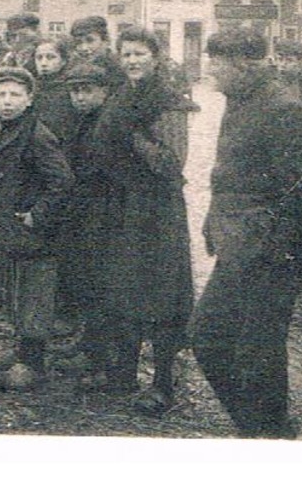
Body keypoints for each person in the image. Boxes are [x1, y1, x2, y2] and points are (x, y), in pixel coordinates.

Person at [191, 28, 302, 438]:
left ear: (244, 64)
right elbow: (231, 174)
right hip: (243, 245)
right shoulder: (242, 99)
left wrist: (263, 240)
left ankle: (270, 432)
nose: (210, 69)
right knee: (211, 337)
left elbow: (301, 188)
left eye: (217, 61)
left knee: (253, 347)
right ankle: (261, 427)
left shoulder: (283, 107)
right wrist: (217, 218)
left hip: (272, 252)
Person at [63, 25, 198, 414]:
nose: (133, 60)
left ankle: (163, 384)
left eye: (140, 53)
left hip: (156, 210)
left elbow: (172, 162)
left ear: (155, 57)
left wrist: (133, 135)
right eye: (127, 54)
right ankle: (122, 375)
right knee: (122, 287)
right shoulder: (124, 94)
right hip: (120, 204)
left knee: (160, 294)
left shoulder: (168, 102)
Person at [0, 66, 73, 391]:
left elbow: (61, 183)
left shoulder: (37, 135)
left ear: (30, 99)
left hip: (35, 233)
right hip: (12, 227)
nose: (7, 101)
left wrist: (37, 215)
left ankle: (33, 366)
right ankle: (20, 351)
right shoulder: (4, 129)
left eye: (15, 95)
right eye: (1, 95)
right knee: (18, 290)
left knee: (35, 295)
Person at [31, 36, 79, 145]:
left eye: (50, 57)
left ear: (63, 61)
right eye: (39, 58)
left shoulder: (71, 88)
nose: (43, 63)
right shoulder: (30, 88)